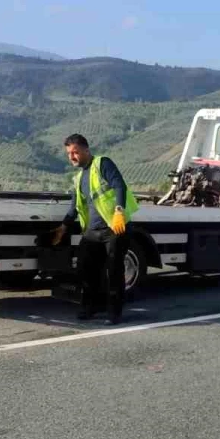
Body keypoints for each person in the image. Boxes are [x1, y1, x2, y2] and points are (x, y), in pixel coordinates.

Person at [50, 134, 140, 323]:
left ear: (86, 150)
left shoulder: (102, 164)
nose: (72, 157)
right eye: (69, 153)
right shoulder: (78, 178)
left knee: (114, 271)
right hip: (92, 232)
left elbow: (119, 185)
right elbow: (75, 207)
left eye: (75, 152)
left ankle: (114, 313)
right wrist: (63, 227)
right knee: (86, 271)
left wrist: (119, 211)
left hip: (113, 228)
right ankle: (90, 308)